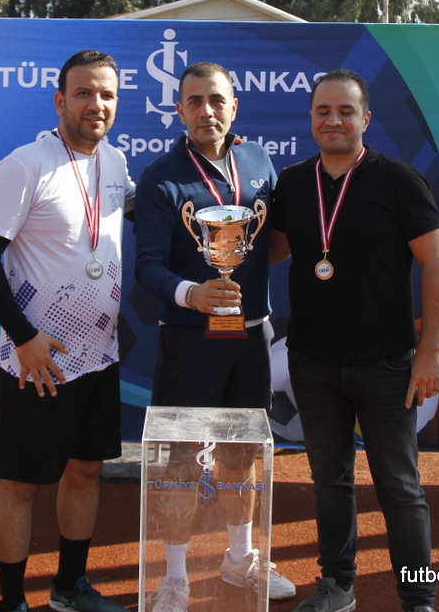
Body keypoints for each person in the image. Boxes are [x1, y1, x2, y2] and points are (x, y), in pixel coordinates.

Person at [269, 69, 439, 612]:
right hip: (312, 361)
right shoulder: (293, 183)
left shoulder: (399, 181)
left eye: (345, 111)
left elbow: (435, 265)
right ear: (311, 119)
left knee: (400, 486)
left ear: (365, 119)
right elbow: (276, 250)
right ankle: (338, 585)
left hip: (387, 364)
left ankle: (417, 599)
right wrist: (220, 242)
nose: (333, 120)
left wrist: (430, 351)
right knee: (330, 481)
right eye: (323, 111)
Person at [0, 49, 136, 612]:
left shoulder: (115, 162)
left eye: (107, 94)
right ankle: (12, 603)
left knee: (86, 470)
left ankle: (69, 588)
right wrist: (23, 337)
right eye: (84, 93)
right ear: (60, 100)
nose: (96, 104)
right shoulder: (25, 164)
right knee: (21, 485)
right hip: (39, 359)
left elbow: (145, 208)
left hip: (99, 353)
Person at [134, 62, 295, 611]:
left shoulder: (258, 161)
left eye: (217, 100)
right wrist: (191, 293)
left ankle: (240, 557)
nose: (207, 111)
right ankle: (175, 577)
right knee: (180, 460)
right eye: (195, 101)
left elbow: (276, 241)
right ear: (179, 110)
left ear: (234, 106)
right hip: (189, 337)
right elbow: (148, 267)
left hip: (251, 337)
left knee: (242, 455)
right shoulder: (161, 177)